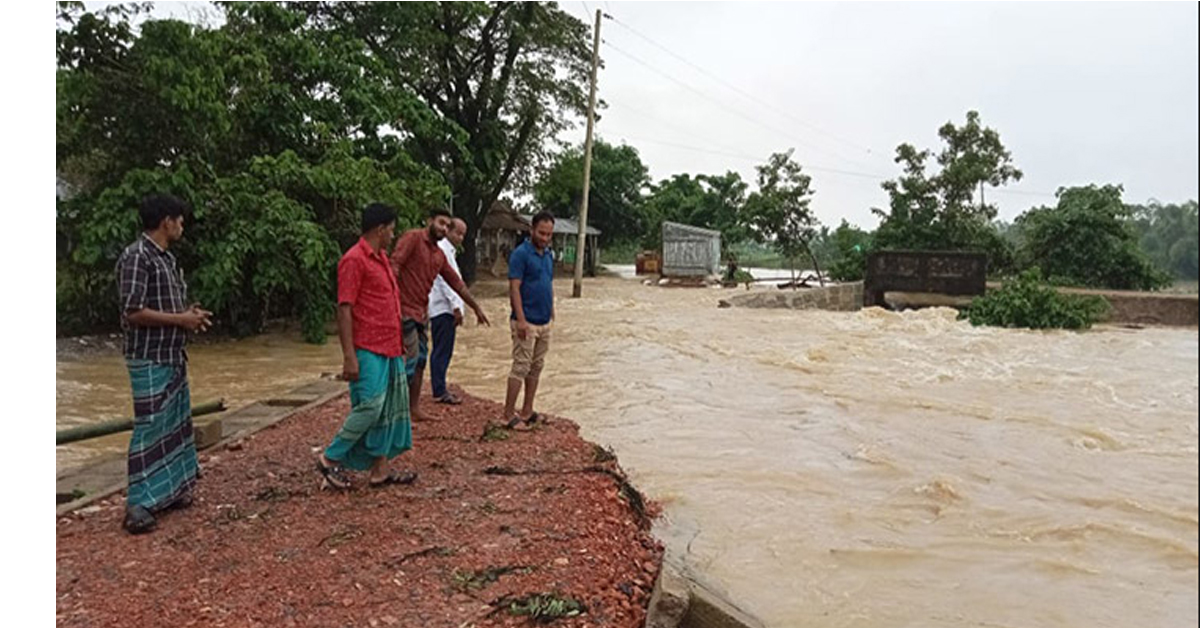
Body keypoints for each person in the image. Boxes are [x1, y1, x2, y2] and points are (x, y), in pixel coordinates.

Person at [116, 193, 212, 534]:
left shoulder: (166, 259)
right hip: (148, 355)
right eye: (179, 219)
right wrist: (180, 319)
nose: (182, 225)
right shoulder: (136, 257)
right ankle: (138, 503)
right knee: (150, 425)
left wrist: (189, 317)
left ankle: (169, 491)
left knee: (174, 422)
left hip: (172, 353)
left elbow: (170, 309)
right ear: (165, 221)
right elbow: (133, 311)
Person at [317, 203, 416, 490]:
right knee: (370, 407)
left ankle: (379, 471)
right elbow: (344, 308)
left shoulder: (381, 258)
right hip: (367, 346)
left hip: (389, 345)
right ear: (379, 229)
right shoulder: (354, 260)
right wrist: (349, 356)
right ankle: (328, 459)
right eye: (391, 229)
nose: (392, 235)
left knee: (388, 410)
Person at [390, 208, 490, 422]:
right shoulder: (413, 238)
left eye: (446, 225)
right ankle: (391, 410)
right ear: (430, 221)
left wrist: (476, 307)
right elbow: (395, 265)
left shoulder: (439, 255)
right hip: (403, 309)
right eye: (441, 223)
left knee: (421, 361)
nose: (443, 228)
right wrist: (390, 299)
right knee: (410, 359)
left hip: (422, 313)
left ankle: (412, 409)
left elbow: (456, 283)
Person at [502, 211, 556, 428]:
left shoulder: (548, 255)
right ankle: (507, 414)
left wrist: (552, 309)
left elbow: (549, 283)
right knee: (520, 366)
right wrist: (521, 320)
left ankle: (527, 410)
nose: (544, 238)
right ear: (532, 230)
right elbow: (514, 288)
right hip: (526, 321)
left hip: (544, 320)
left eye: (549, 234)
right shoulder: (520, 254)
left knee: (536, 366)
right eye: (541, 233)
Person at [427, 217, 468, 405]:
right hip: (443, 308)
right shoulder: (443, 250)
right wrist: (456, 307)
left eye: (463, 235)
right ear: (449, 231)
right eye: (458, 233)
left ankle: (440, 386)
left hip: (444, 308)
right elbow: (445, 281)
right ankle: (439, 389)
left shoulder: (448, 251)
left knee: (443, 349)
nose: (460, 238)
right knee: (442, 350)